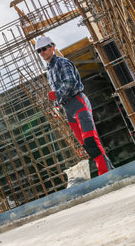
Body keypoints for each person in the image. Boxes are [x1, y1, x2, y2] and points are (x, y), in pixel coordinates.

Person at [35, 36, 113, 175]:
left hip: (78, 103)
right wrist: (57, 105)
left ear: (53, 47)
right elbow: (58, 92)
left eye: (44, 48)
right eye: (39, 51)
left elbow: (70, 83)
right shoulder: (49, 71)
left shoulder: (62, 63)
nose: (42, 52)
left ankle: (105, 173)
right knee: (86, 145)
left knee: (90, 141)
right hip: (68, 109)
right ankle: (107, 171)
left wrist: (57, 95)